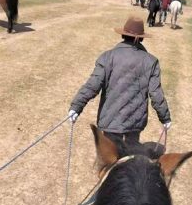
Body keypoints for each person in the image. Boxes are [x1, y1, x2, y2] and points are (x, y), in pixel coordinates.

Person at [68, 16, 171, 145]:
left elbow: (92, 86)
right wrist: (165, 118)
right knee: (130, 158)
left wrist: (76, 107)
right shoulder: (151, 61)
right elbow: (156, 94)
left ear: (123, 35)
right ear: (140, 38)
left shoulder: (107, 57)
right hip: (135, 123)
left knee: (110, 161)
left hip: (110, 120)